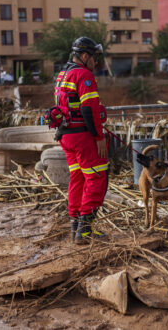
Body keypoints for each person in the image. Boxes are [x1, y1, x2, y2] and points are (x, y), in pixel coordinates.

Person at [54, 37, 109, 243]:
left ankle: (76, 227)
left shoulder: (62, 74)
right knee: (96, 178)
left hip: (66, 136)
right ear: (84, 56)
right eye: (94, 58)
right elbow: (88, 109)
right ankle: (85, 230)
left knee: (77, 179)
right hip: (83, 137)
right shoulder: (83, 75)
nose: (96, 62)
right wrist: (99, 137)